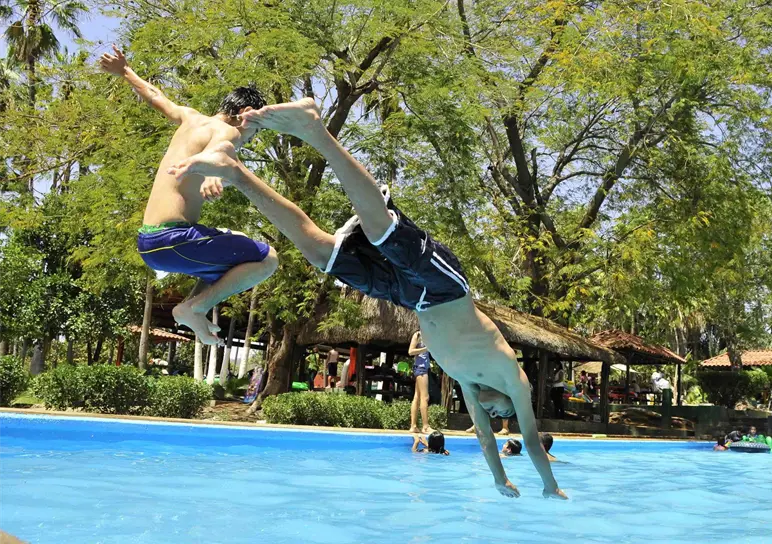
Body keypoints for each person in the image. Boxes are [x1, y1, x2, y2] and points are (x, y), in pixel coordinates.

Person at [168, 98, 565, 499]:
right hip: (447, 288)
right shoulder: (515, 382)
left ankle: (236, 174)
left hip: (411, 300)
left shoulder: (468, 381)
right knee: (382, 231)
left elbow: (483, 434)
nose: (498, 414)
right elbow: (531, 440)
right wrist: (549, 485)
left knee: (322, 254)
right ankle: (315, 130)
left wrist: (500, 478)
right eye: (503, 412)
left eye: (499, 416)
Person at [98, 46, 278, 345]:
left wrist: (125, 71)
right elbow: (222, 148)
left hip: (150, 243)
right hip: (173, 239)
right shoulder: (229, 131)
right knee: (268, 259)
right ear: (245, 115)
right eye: (255, 129)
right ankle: (195, 307)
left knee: (231, 243)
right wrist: (212, 172)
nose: (251, 135)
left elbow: (156, 96)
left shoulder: (190, 118)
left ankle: (194, 306)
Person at [409, 331, 433, 433]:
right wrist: (426, 349)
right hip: (421, 369)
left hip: (422, 368)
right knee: (425, 397)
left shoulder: (428, 335)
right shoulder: (418, 335)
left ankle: (413, 426)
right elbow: (410, 351)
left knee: (417, 397)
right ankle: (425, 426)